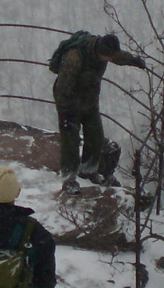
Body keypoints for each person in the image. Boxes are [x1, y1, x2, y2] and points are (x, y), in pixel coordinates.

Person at [51, 31, 147, 193]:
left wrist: (134, 61)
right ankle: (69, 179)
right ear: (100, 52)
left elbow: (117, 57)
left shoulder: (104, 50)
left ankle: (88, 170)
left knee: (96, 137)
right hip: (70, 104)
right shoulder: (74, 58)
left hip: (89, 103)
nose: (109, 61)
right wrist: (65, 113)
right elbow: (63, 87)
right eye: (107, 58)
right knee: (70, 141)